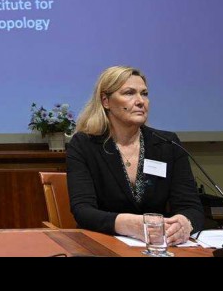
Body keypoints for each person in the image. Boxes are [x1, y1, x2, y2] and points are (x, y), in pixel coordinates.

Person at [66, 66, 204, 246]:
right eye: (129, 93)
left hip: (158, 245)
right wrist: (130, 225)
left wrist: (184, 223)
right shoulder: (85, 144)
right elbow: (83, 211)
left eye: (144, 94)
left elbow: (192, 207)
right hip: (103, 243)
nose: (140, 101)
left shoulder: (167, 144)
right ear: (106, 101)